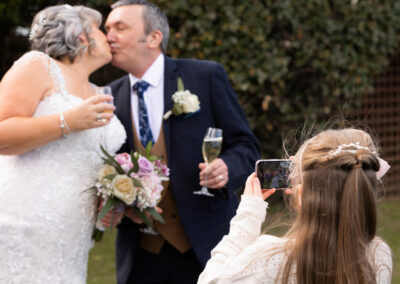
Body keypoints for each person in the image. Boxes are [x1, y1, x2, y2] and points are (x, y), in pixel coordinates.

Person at [104, 0, 260, 283]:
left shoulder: (205, 76)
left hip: (209, 246)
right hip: (141, 254)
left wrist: (226, 167)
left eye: (120, 27)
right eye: (107, 28)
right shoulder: (107, 97)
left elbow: (246, 146)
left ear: (154, 37)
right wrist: (122, 206)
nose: (109, 36)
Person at [0, 4, 126, 283]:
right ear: (81, 36)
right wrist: (68, 121)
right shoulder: (38, 66)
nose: (107, 36)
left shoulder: (97, 91)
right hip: (23, 222)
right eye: (100, 29)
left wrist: (109, 201)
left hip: (71, 235)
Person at [198, 128, 393, 283]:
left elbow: (210, 280)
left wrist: (249, 214)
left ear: (301, 197)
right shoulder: (378, 254)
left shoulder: (270, 259)